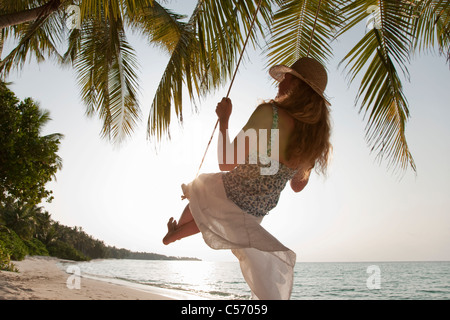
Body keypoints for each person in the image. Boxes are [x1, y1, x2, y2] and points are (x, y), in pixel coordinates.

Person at [162, 57, 332, 300]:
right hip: (256, 211)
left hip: (233, 190)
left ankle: (174, 233)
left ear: (298, 87)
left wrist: (224, 120)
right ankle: (174, 235)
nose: (281, 82)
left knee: (200, 192)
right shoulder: (311, 140)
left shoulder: (270, 115)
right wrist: (308, 161)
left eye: (287, 78)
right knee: (208, 208)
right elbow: (297, 186)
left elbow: (226, 161)